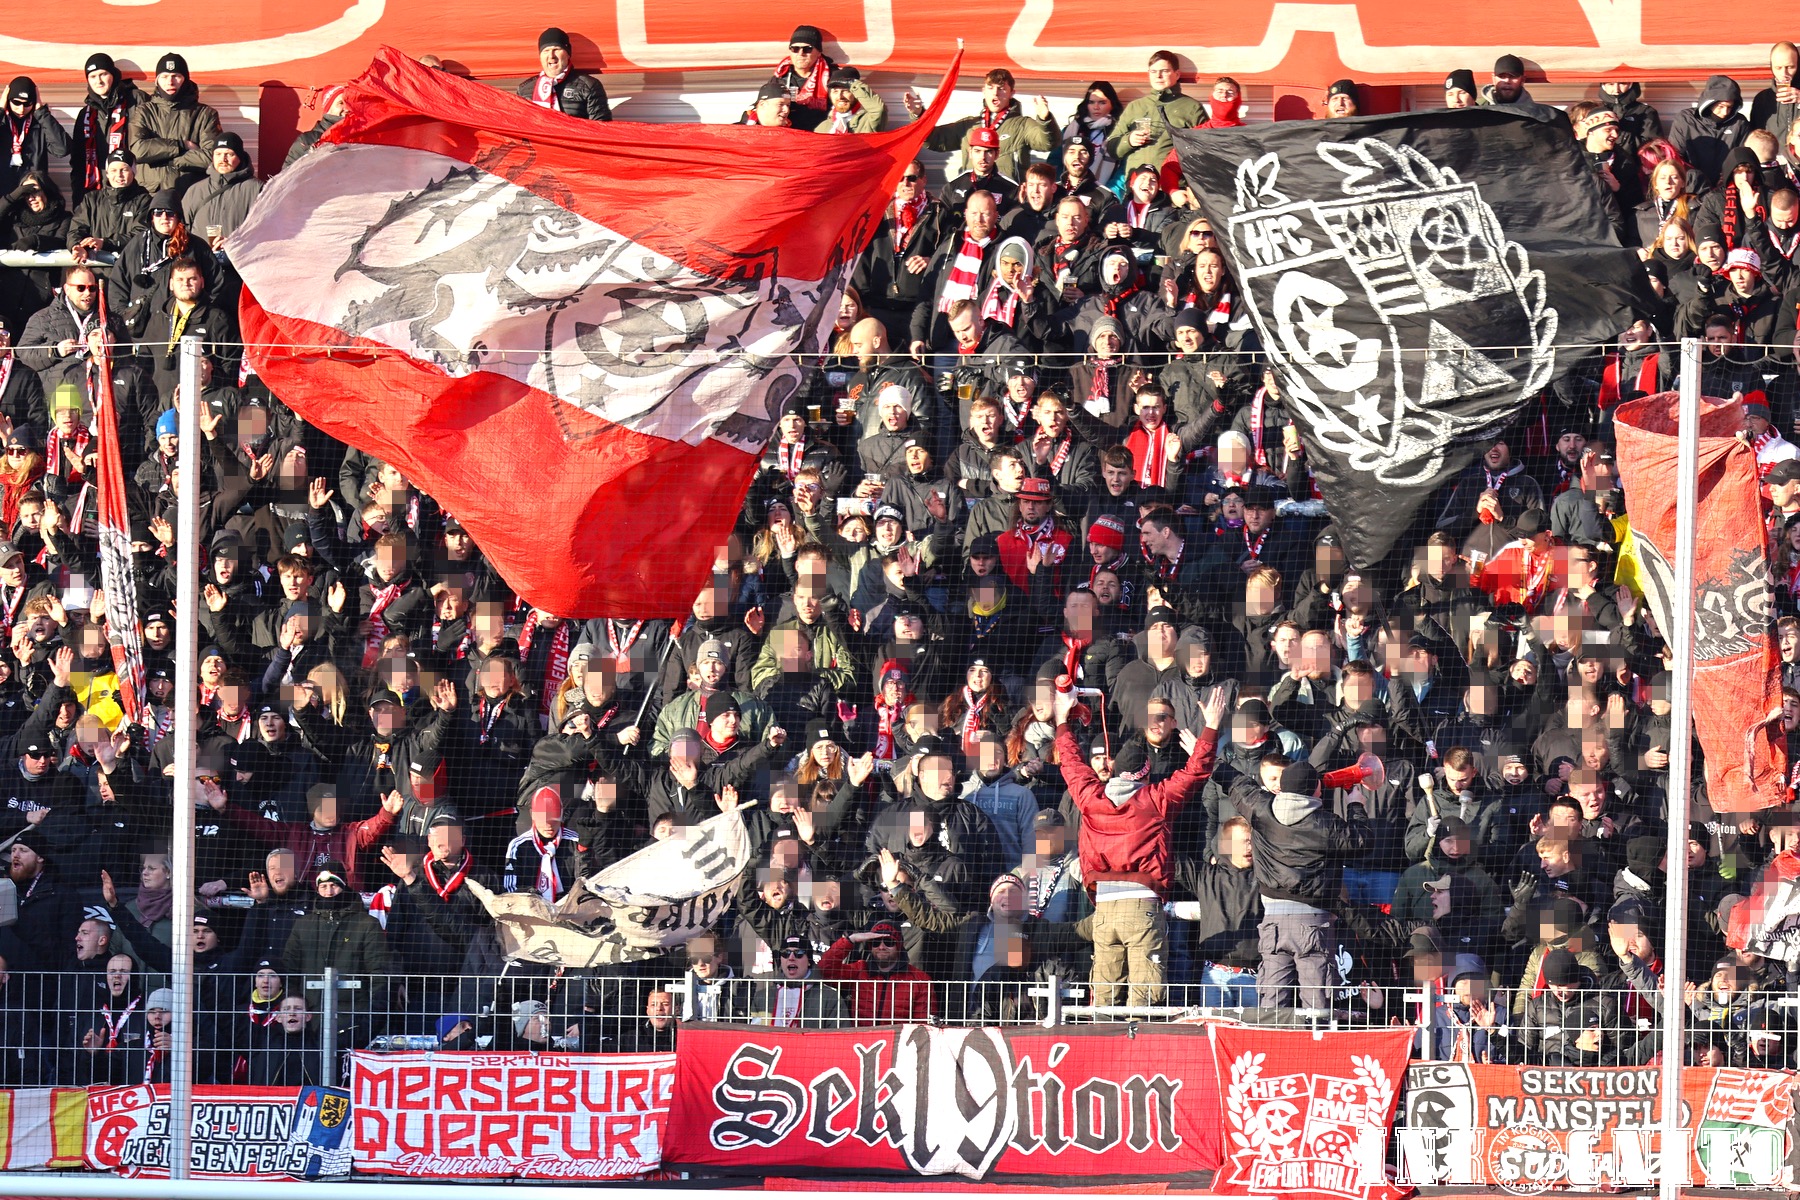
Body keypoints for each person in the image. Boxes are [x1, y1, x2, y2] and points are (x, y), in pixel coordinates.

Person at [1052, 681, 1227, 1006]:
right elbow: (1197, 772)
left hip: (1102, 909)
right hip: (1143, 907)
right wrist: (1211, 727)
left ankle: (1101, 1055)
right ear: (1146, 774)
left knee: (1103, 1001)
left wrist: (1062, 719)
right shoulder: (1156, 799)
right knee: (1144, 1002)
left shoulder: (1091, 796)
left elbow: (1072, 763)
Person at [1242, 760, 1374, 1011]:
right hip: (1312, 922)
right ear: (1316, 790)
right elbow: (1362, 842)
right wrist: (1355, 804)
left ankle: (1269, 1046)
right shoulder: (1326, 824)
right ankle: (1315, 1047)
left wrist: (1203, 747)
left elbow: (1233, 781)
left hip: (1273, 923)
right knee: (1317, 1004)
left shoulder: (1259, 808)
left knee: (1271, 1002)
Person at [128, 53, 221, 199]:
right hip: (151, 196)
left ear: (185, 79)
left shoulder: (205, 114)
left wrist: (167, 158)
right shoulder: (144, 111)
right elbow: (138, 150)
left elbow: (211, 157)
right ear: (157, 80)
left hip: (191, 195)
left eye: (176, 76)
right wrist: (180, 145)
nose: (170, 82)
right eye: (164, 77)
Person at [818, 918, 934, 1024]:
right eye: (875, 942)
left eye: (889, 942)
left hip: (899, 1042)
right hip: (860, 1041)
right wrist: (850, 940)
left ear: (899, 946)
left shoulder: (920, 979)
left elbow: (923, 1024)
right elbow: (825, 970)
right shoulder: (859, 970)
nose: (882, 947)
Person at [1109, 52, 1202, 176]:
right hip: (1137, 187)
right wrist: (1129, 140)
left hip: (1173, 187)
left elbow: (1204, 149)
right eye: (1153, 71)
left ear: (1177, 74)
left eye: (1164, 71)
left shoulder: (1191, 107)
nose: (1158, 76)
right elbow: (1111, 149)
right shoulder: (1136, 106)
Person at [517, 28, 612, 121]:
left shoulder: (589, 86)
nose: (551, 56)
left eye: (556, 49)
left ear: (568, 54)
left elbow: (601, 128)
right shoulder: (524, 90)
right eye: (546, 51)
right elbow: (519, 126)